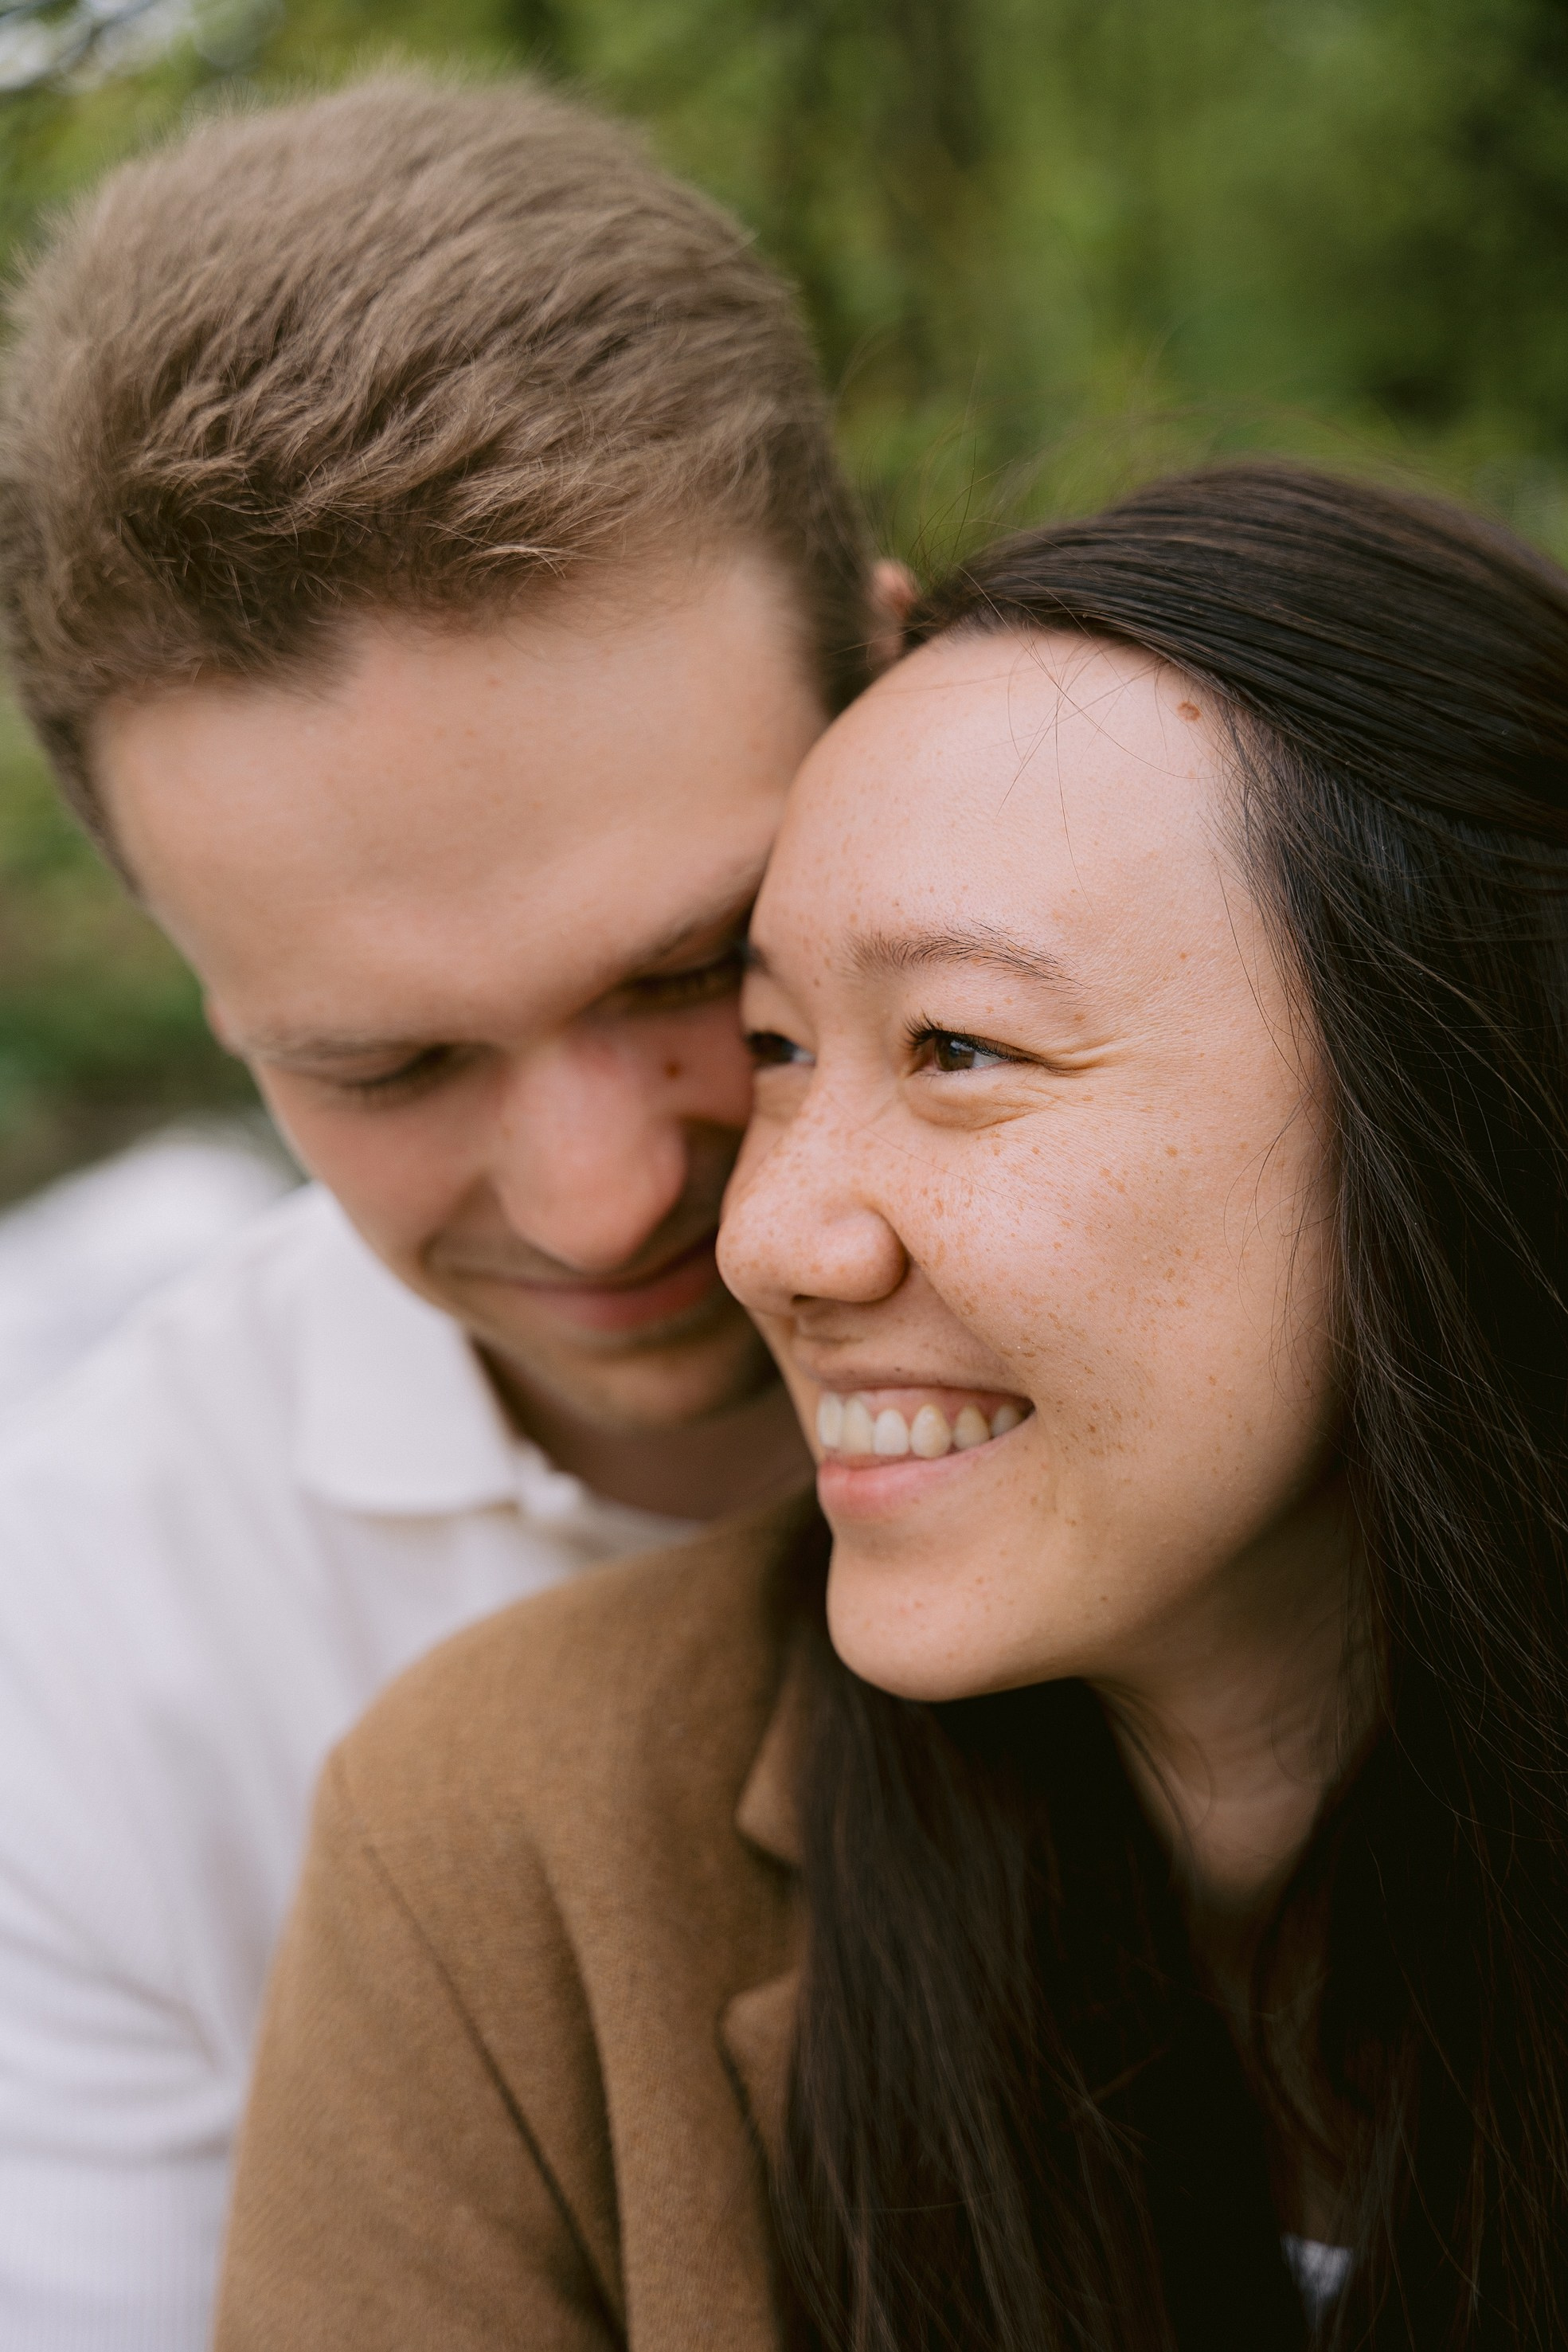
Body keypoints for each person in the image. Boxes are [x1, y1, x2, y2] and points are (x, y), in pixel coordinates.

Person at [220, 460, 1568, 2349]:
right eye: (776, 1046)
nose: (763, 1235)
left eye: (958, 1046)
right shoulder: (507, 1855)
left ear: (1464, 1101)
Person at [0, 72, 909, 2347]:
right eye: (382, 1065)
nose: (606, 1195)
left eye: (697, 962)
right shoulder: (83, 1668)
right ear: (205, 994)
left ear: (894, 688)